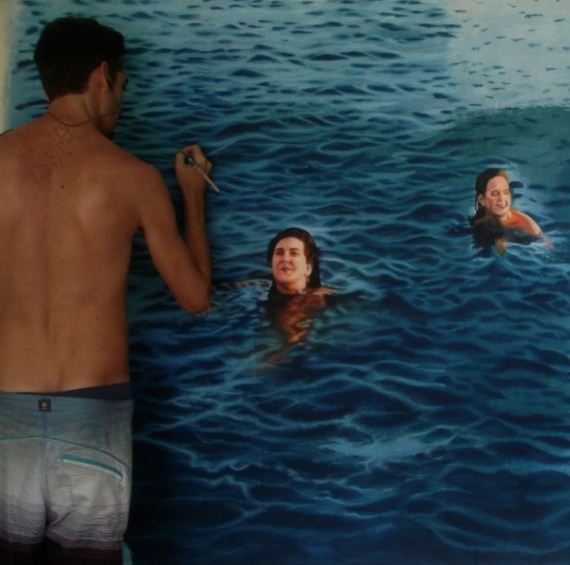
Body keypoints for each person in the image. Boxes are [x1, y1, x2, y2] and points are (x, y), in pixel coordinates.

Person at [0, 17, 213, 564]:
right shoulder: (133, 177)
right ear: (101, 76)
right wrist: (192, 196)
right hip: (92, 418)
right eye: (122, 85)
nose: (120, 100)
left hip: (6, 415)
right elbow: (195, 298)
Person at [265, 227, 331, 345]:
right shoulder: (257, 289)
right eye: (279, 253)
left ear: (308, 267)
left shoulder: (317, 298)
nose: (285, 259)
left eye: (294, 253)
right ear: (271, 264)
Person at [470, 168, 547, 253]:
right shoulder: (478, 221)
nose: (502, 199)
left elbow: (546, 248)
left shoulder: (529, 228)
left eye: (506, 192)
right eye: (495, 193)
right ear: (482, 200)